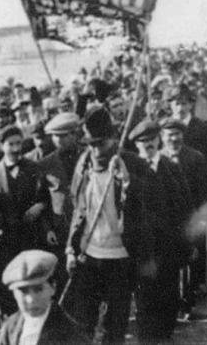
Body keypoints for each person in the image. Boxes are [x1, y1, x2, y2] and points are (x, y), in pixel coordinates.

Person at [63, 107, 154, 344]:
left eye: (101, 144)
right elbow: (77, 210)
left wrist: (127, 182)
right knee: (83, 322)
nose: (95, 150)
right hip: (89, 254)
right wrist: (70, 250)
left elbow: (149, 204)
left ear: (113, 139)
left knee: (115, 325)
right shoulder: (84, 164)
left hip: (121, 258)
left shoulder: (132, 163)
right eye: (90, 144)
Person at [129, 120, 191, 342]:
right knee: (146, 300)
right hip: (144, 250)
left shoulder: (171, 167)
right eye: (142, 142)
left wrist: (187, 244)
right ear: (136, 145)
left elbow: (185, 207)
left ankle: (165, 336)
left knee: (170, 297)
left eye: (152, 140)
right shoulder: (130, 172)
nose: (148, 145)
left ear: (158, 140)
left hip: (169, 247)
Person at [0, 125, 50, 318]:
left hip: (31, 236)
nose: (15, 148)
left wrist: (40, 206)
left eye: (18, 143)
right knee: (11, 285)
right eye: (10, 144)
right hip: (5, 240)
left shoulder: (34, 169)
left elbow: (45, 198)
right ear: (1, 146)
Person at [160, 118, 207, 319]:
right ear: (162, 137)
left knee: (191, 262)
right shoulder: (157, 159)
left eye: (177, 134)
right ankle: (173, 301)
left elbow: (204, 192)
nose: (174, 139)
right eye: (169, 135)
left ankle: (187, 302)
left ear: (183, 135)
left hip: (191, 217)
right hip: (166, 221)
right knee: (170, 263)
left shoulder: (195, 158)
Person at [0, 250, 88, 345]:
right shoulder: (10, 327)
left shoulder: (70, 332)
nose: (31, 299)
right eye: (23, 291)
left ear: (53, 287)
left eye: (38, 289)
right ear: (14, 293)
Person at [36, 113, 82, 292]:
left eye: (64, 135)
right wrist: (47, 228)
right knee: (64, 277)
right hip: (61, 228)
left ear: (74, 134)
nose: (59, 140)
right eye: (55, 136)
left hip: (88, 223)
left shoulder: (87, 158)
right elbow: (41, 201)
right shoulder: (45, 164)